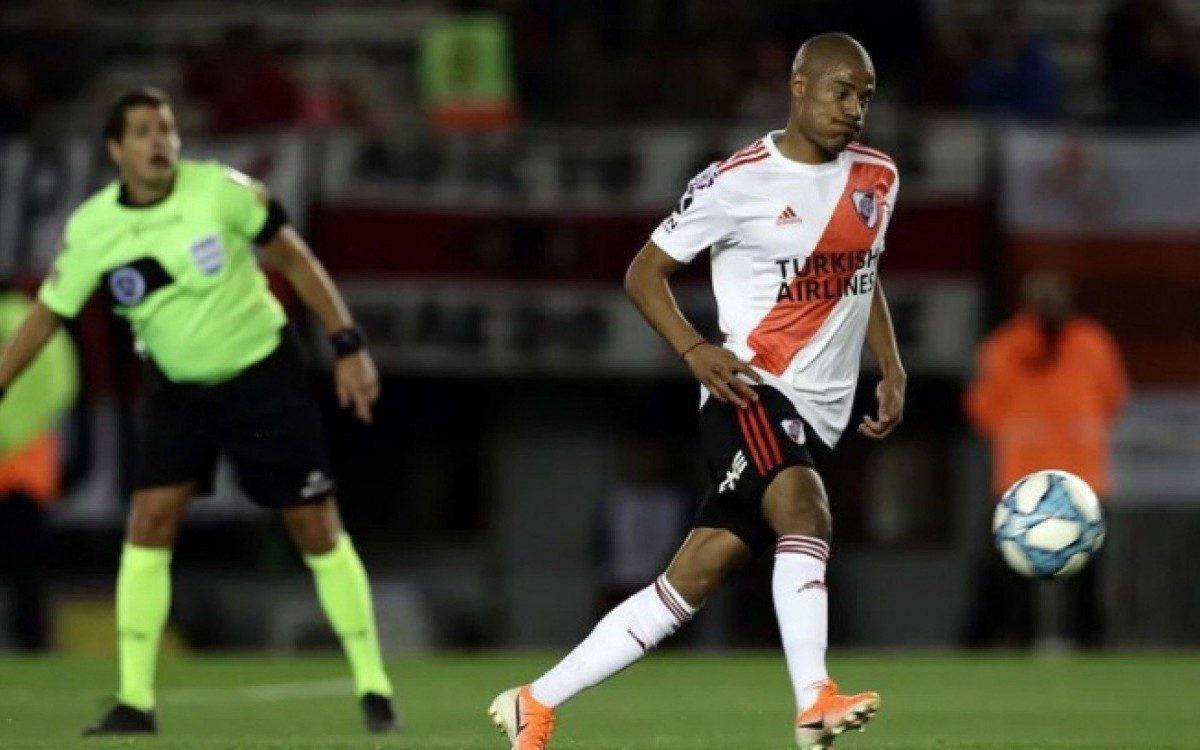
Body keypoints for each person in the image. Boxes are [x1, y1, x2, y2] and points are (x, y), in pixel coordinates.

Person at [488, 33, 905, 750]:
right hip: (750, 390)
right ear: (798, 88)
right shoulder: (736, 182)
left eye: (864, 95)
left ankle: (534, 701)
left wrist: (891, 366)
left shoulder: (878, 177)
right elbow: (642, 273)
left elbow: (860, 276)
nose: (854, 109)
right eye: (841, 91)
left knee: (689, 582)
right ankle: (815, 701)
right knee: (806, 510)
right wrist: (694, 348)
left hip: (818, 410)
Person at [0, 88, 398, 735]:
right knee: (149, 521)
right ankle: (134, 700)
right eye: (142, 131)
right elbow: (48, 313)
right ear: (115, 149)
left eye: (166, 128)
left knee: (313, 525)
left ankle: (374, 685)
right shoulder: (95, 228)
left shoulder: (221, 191)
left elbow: (295, 258)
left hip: (261, 374)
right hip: (176, 387)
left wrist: (347, 345)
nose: (158, 141)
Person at [962, 271, 1128, 649]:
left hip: (1078, 480)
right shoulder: (1004, 348)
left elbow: (1113, 397)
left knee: (1085, 572)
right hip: (1023, 481)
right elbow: (983, 411)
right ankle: (1015, 640)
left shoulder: (1092, 344)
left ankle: (1087, 643)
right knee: (1013, 574)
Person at [0, 282, 78, 651]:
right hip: (28, 465)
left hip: (17, 463)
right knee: (26, 569)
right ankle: (34, 645)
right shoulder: (34, 320)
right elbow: (63, 387)